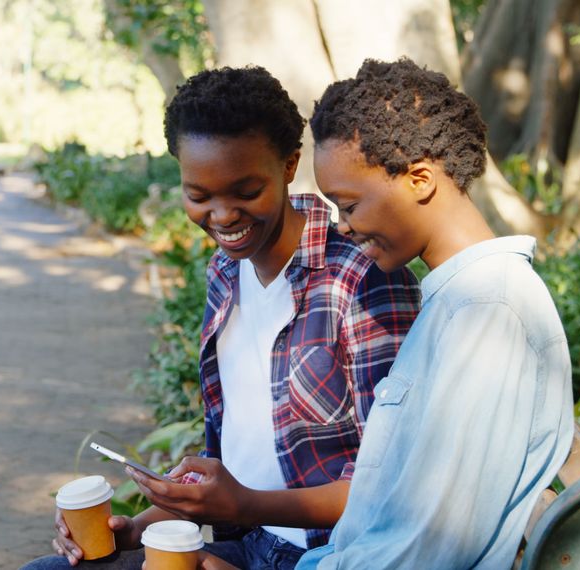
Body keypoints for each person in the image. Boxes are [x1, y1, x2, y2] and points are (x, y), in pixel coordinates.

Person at [23, 66, 420, 570]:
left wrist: (243, 505)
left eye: (245, 191)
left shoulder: (363, 279)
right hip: (239, 541)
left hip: (325, 555)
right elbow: (235, 454)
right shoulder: (224, 274)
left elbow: (391, 485)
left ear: (289, 165)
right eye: (199, 195)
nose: (223, 215)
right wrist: (141, 525)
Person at [272, 58, 572, 568]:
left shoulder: (487, 312)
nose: (343, 226)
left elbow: (427, 547)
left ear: (419, 180)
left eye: (349, 205)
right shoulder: (455, 301)